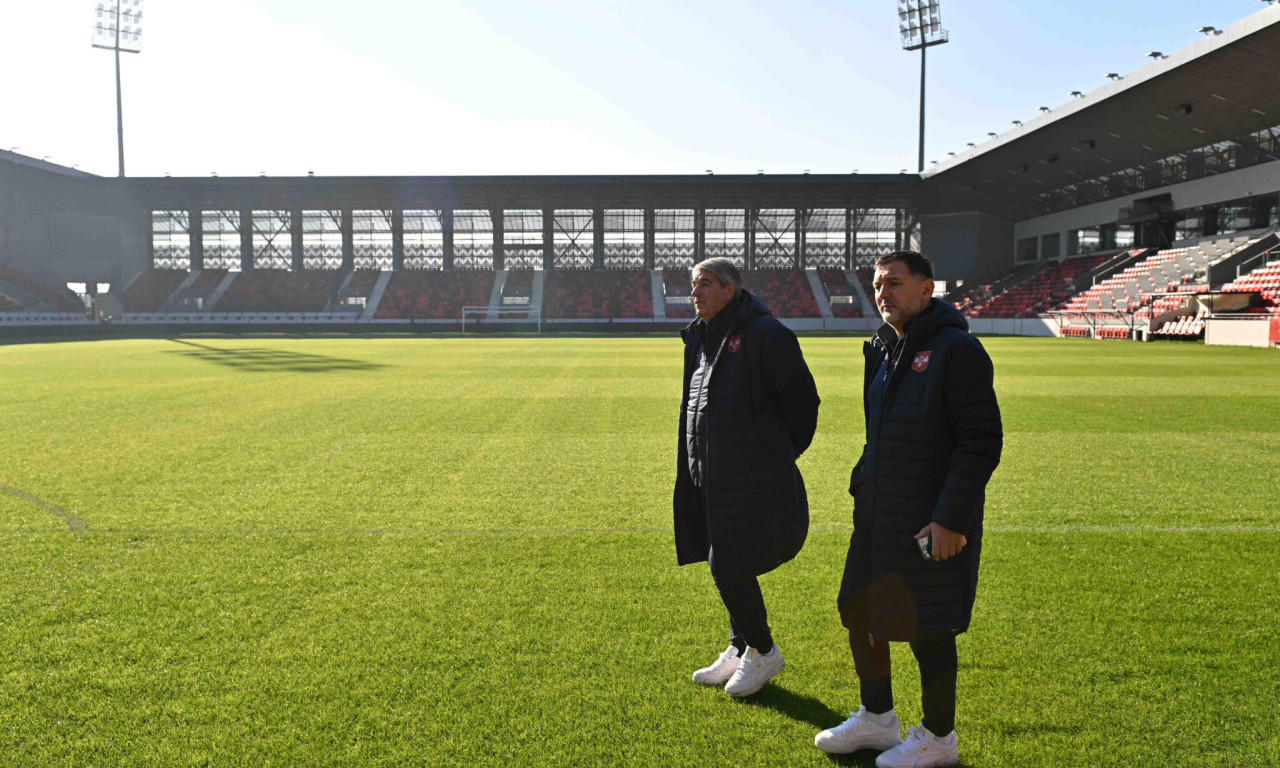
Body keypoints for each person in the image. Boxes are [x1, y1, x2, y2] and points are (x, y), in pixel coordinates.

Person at [814, 251, 1002, 767]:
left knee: (929, 626)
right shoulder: (881, 349)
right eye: (877, 284)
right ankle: (877, 718)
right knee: (860, 610)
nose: (883, 292)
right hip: (879, 513)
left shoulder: (956, 350)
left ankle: (939, 737)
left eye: (894, 283)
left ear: (927, 289)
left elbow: (980, 443)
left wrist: (950, 519)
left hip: (928, 519)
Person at [673, 257, 820, 699]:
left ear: (731, 290)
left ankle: (763, 649)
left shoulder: (766, 334)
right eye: (693, 284)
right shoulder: (699, 336)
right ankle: (739, 646)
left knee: (728, 563)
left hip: (751, 477)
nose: (695, 292)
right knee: (721, 555)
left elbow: (803, 405)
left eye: (705, 283)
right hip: (710, 474)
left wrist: (773, 457)